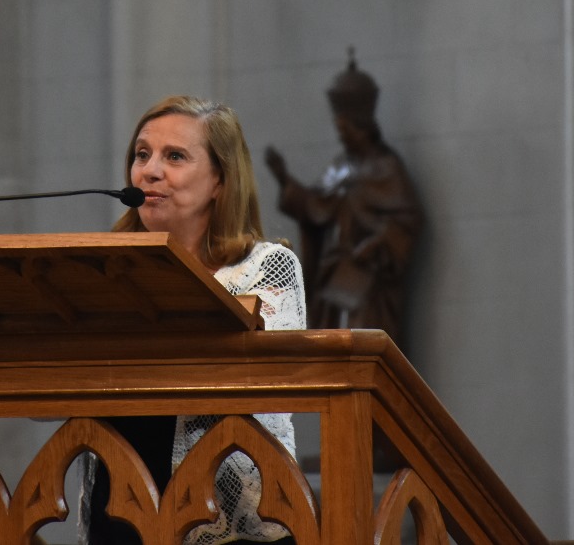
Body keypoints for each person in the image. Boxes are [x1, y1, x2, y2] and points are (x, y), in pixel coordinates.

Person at [82, 95, 306, 545]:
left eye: (175, 157)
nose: (150, 171)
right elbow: (43, 405)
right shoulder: (104, 270)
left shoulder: (266, 267)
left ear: (220, 180)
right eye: (142, 154)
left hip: (229, 524)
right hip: (120, 516)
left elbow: (269, 382)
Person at [264, 53, 423, 344]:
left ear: (361, 127)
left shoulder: (387, 167)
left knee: (364, 342)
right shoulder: (340, 166)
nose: (342, 137)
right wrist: (284, 180)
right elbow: (317, 207)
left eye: (345, 130)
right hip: (335, 275)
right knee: (327, 342)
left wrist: (376, 244)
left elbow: (408, 221)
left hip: (368, 282)